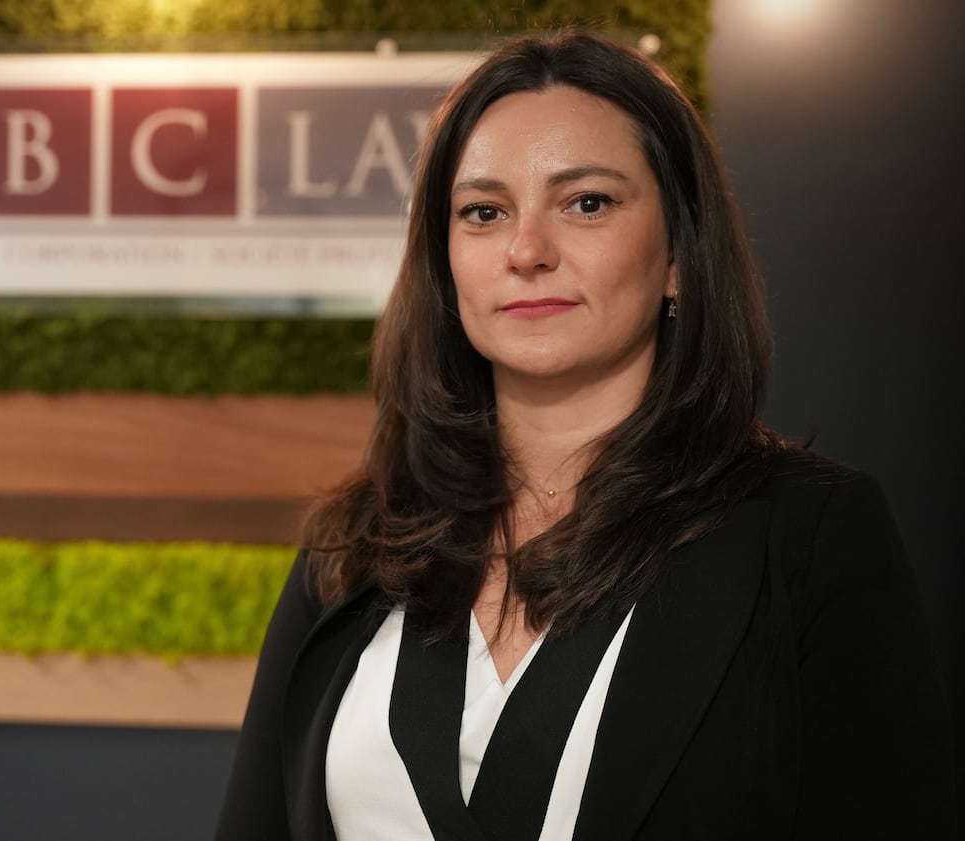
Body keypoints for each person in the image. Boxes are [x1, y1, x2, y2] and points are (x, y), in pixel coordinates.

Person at [216, 29, 955, 841]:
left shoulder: (806, 537)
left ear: (679, 252)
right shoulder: (355, 544)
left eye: (587, 202)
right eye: (484, 212)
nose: (527, 251)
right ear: (446, 259)